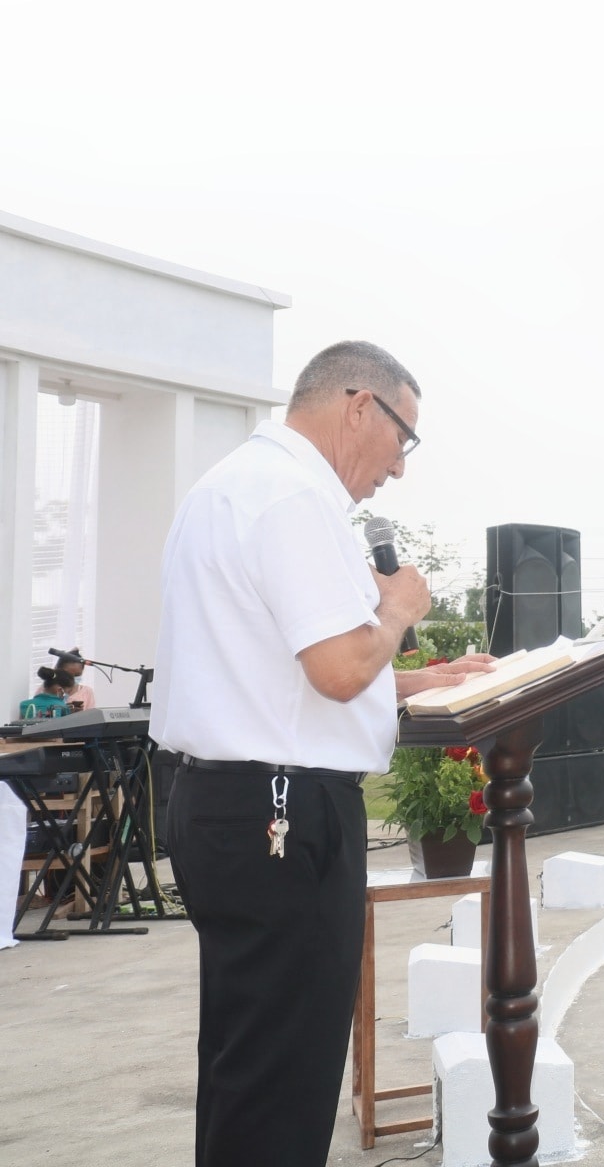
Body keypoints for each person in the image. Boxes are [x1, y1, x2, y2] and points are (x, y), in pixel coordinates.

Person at [153, 341, 493, 1167]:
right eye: (404, 439)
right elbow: (341, 668)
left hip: (230, 803)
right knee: (286, 1077)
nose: (399, 470)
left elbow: (288, 670)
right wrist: (400, 609)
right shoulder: (292, 498)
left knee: (251, 1062)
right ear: (357, 406)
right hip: (281, 815)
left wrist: (416, 680)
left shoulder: (233, 486)